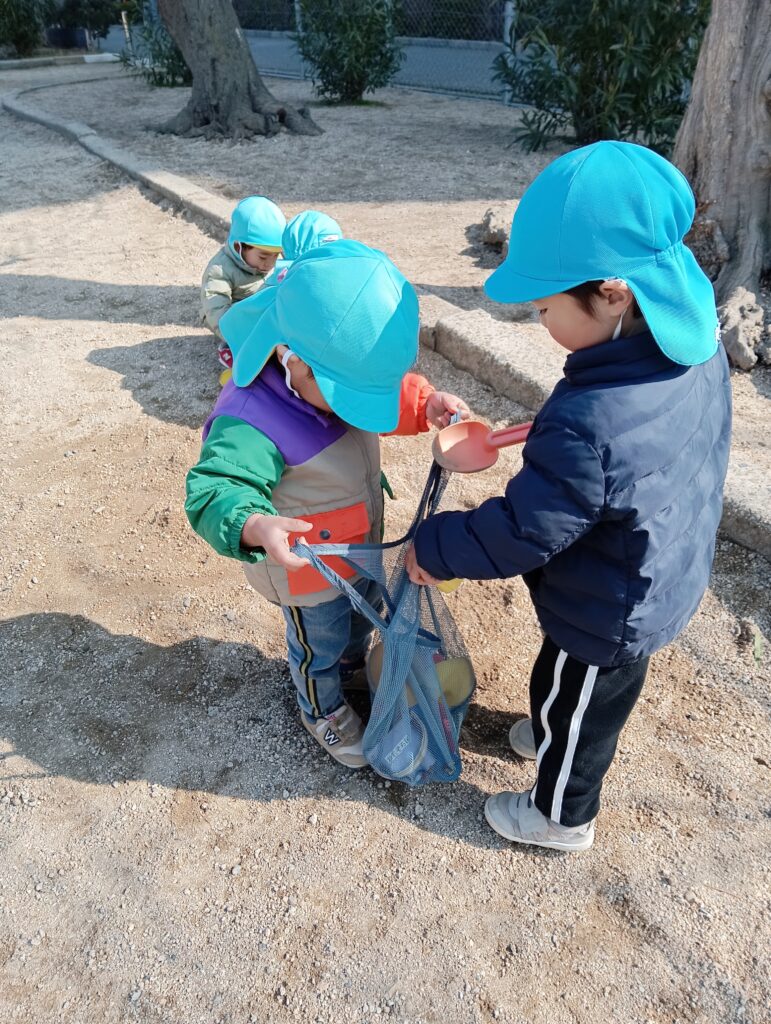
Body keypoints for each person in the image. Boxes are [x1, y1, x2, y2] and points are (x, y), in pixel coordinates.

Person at [406, 141, 732, 852]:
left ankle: (561, 817)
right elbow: (640, 450)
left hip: (610, 606)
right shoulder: (689, 343)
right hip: (657, 564)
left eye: (547, 305)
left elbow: (525, 528)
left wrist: (435, 546)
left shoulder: (590, 425)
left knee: (584, 703)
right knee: (568, 685)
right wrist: (541, 431)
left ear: (612, 293)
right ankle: (553, 728)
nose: (540, 323)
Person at [186, 240, 469, 769]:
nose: (359, 408)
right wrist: (253, 522)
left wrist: (423, 403)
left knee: (359, 621)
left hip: (358, 547)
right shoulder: (250, 415)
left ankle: (350, 660)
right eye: (349, 394)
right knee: (317, 643)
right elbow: (214, 488)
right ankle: (322, 708)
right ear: (294, 359)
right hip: (306, 573)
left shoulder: (329, 370)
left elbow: (384, 393)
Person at [200, 195, 286, 369]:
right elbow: (215, 308)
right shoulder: (219, 270)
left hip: (261, 310)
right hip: (237, 318)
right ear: (239, 247)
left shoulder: (268, 262)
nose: (270, 263)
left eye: (276, 255)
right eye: (263, 256)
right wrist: (235, 334)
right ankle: (232, 349)